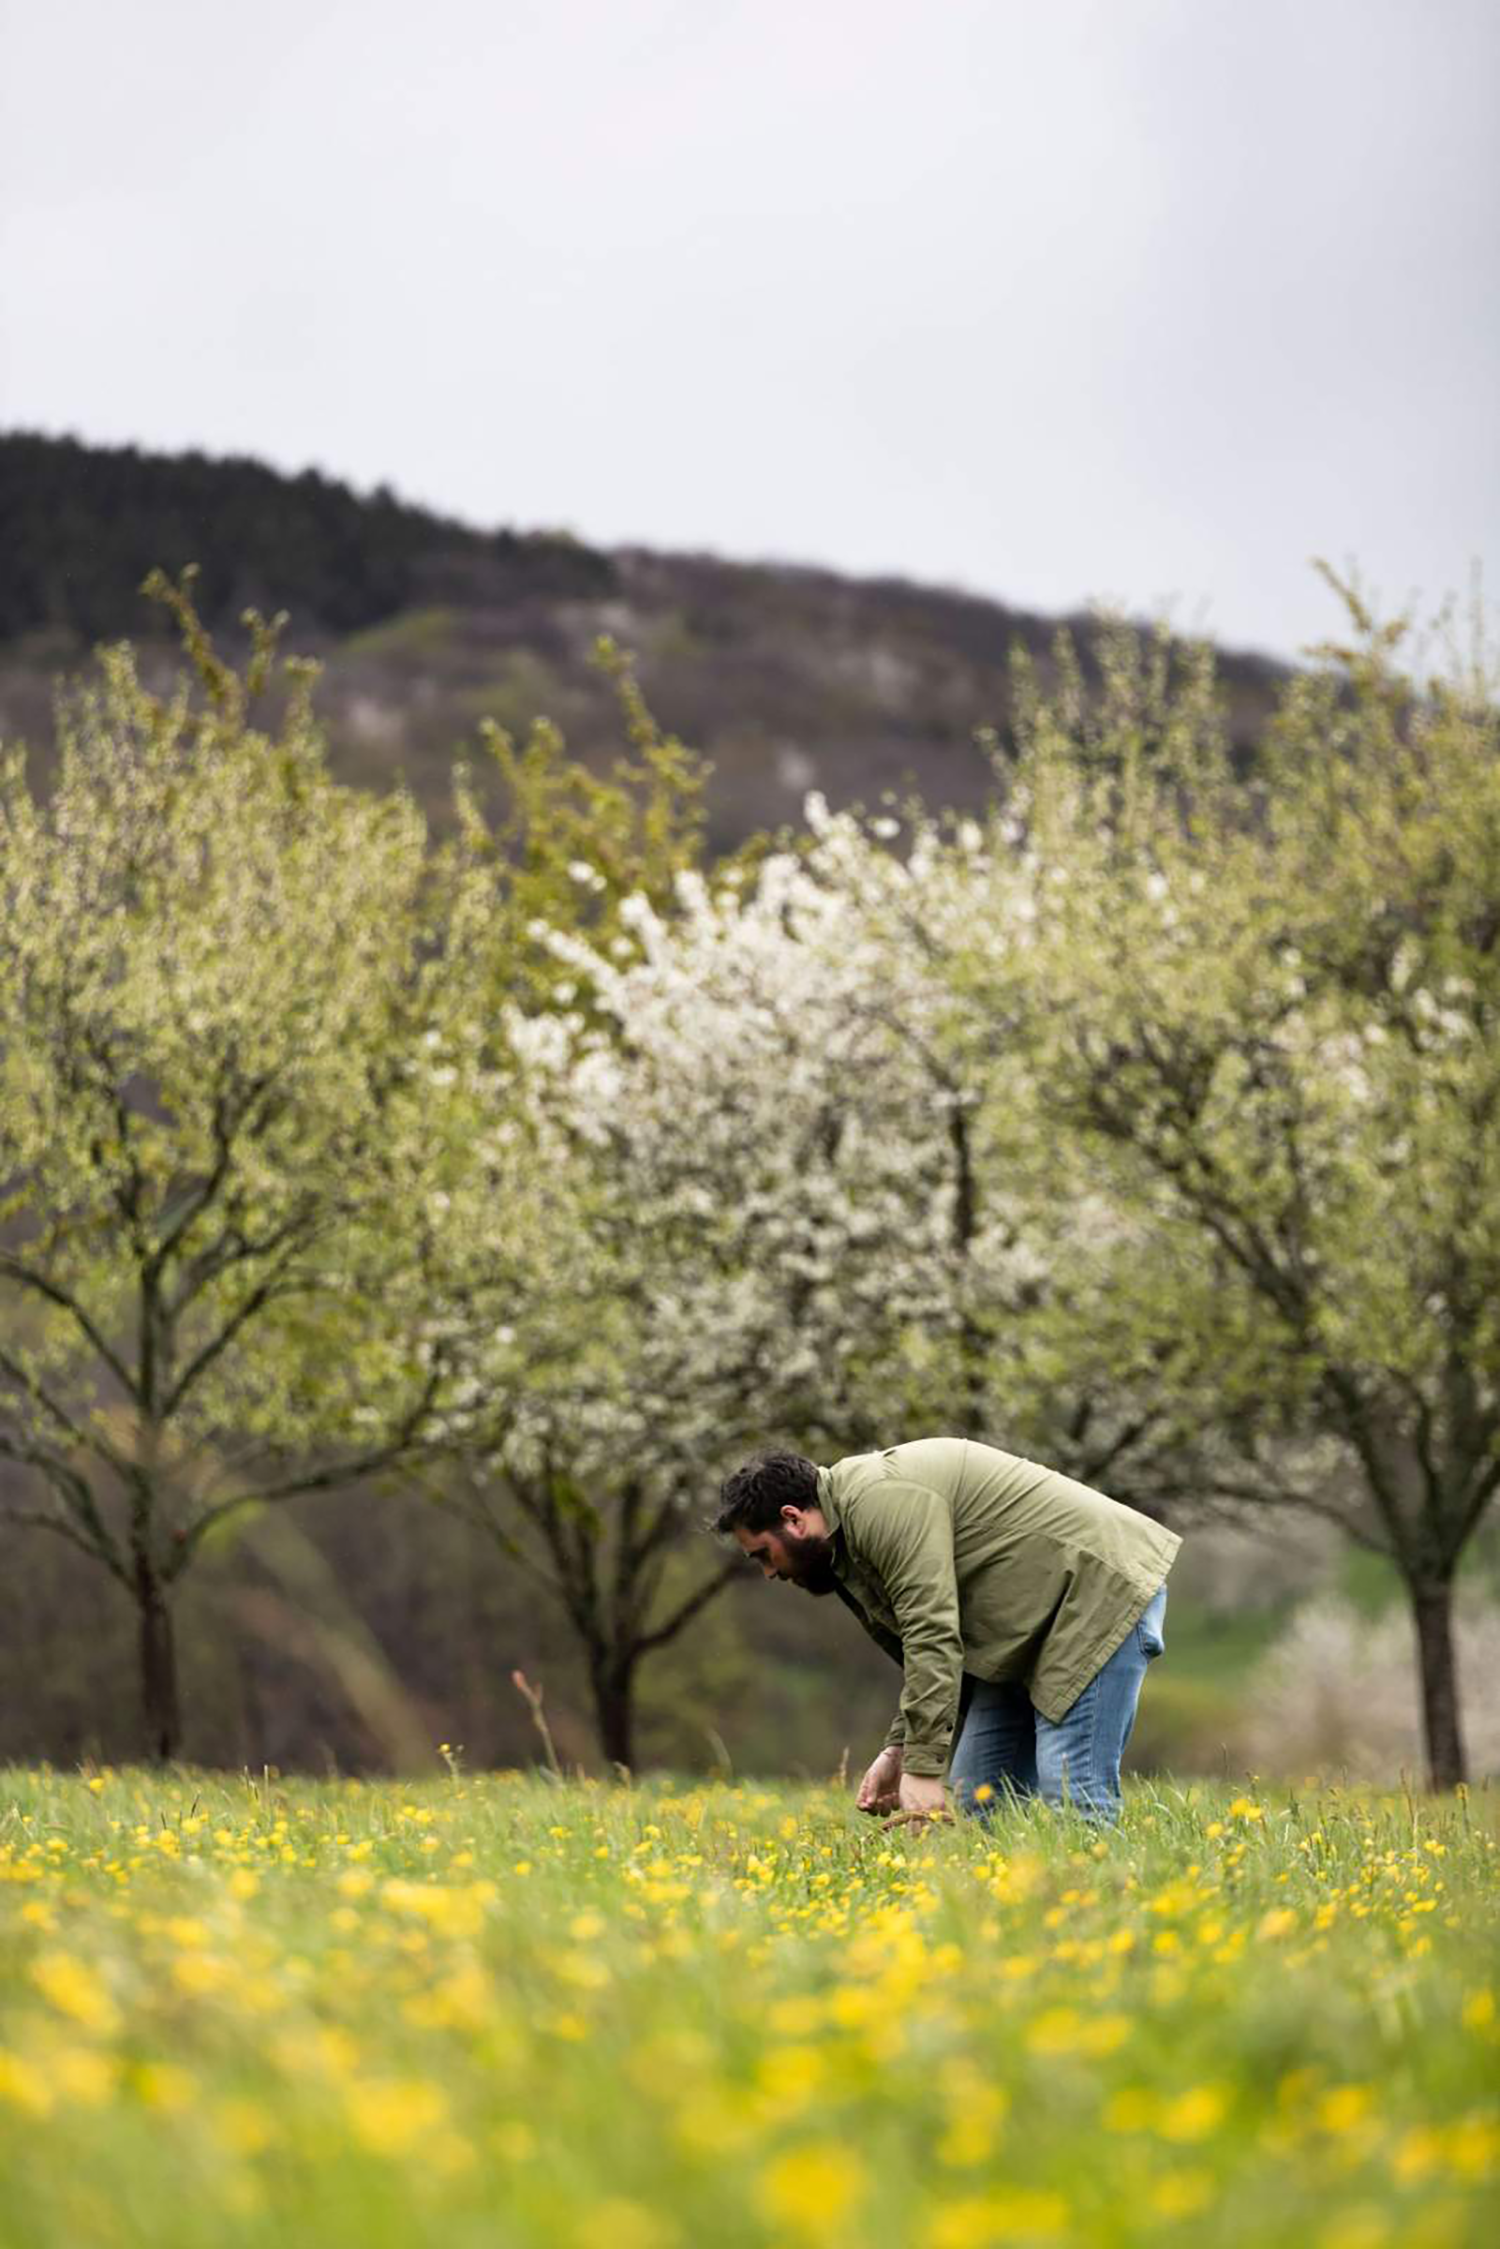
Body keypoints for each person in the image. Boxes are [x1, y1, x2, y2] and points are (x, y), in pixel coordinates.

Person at [714, 1437, 1180, 1826]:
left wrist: (922, 1766)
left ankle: (1095, 1918)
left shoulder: (879, 1501)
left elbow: (931, 1630)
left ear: (793, 1518)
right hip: (1026, 1634)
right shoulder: (842, 1550)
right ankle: (1015, 1918)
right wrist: (900, 1749)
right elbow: (929, 1651)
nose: (768, 1573)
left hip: (1094, 1595)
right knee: (980, 1792)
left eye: (762, 1554)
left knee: (1074, 1796)